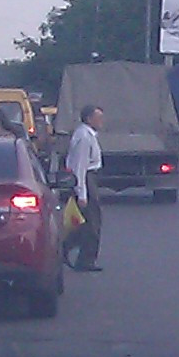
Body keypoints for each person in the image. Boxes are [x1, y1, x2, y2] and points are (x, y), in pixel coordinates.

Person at [64, 105, 106, 271]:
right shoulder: (84, 137)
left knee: (85, 223)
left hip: (89, 178)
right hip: (86, 180)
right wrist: (82, 193)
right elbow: (79, 166)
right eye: (98, 117)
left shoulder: (87, 134)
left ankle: (66, 250)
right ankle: (85, 260)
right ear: (89, 119)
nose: (102, 121)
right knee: (92, 222)